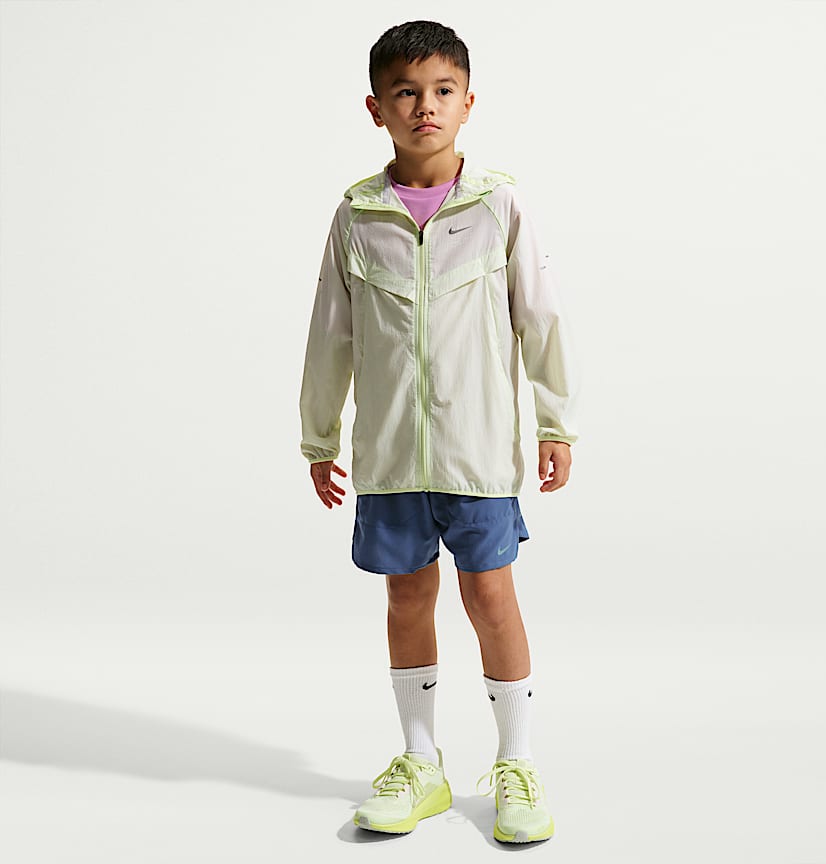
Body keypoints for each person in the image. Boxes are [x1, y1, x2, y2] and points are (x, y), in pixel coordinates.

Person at [298, 20, 579, 845]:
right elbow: (330, 335)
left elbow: (540, 318)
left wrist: (556, 421)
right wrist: (320, 438)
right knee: (406, 596)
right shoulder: (357, 216)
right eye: (406, 92)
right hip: (390, 456)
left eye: (442, 91)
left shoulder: (498, 207)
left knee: (491, 596)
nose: (425, 106)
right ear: (377, 108)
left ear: (467, 102)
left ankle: (517, 762)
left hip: (478, 454)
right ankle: (421, 762)